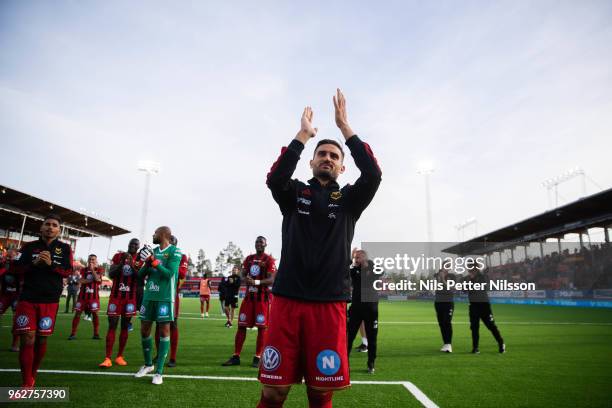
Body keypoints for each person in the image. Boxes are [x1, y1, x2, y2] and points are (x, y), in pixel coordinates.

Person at [258, 89, 381, 407]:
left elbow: (373, 174)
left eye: (334, 156)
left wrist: (344, 127)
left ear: (342, 168)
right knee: (273, 394)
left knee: (320, 394)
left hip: (329, 305)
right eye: (321, 154)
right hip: (287, 302)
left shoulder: (351, 200)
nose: (327, 158)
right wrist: (302, 135)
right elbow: (274, 178)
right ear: (311, 162)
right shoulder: (293, 193)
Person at [12, 214, 73, 387]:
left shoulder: (65, 248)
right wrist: (34, 264)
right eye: (47, 224)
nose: (50, 227)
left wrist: (50, 265)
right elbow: (15, 269)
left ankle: (33, 372)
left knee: (41, 340)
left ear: (59, 230)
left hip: (50, 300)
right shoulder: (28, 247)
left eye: (54, 225)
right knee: (27, 338)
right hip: (28, 298)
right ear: (41, 227)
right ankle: (26, 384)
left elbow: (68, 272)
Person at [134, 226, 181, 385]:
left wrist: (152, 261)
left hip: (165, 298)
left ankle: (159, 372)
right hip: (149, 296)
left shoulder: (175, 251)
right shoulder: (152, 251)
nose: (153, 235)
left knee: (164, 331)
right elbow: (140, 276)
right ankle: (148, 365)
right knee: (144, 329)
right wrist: (144, 263)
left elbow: (169, 274)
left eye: (155, 233)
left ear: (162, 235)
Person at [222, 236, 276, 368]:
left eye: (261, 242)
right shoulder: (249, 259)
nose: (258, 244)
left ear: (265, 245)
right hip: (248, 299)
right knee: (241, 325)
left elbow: (272, 279)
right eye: (257, 242)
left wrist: (256, 282)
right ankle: (236, 356)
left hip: (262, 300)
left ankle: (257, 357)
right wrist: (244, 277)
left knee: (262, 328)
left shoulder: (269, 260)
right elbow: (242, 274)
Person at [99, 238, 142, 368]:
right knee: (112, 324)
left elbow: (140, 278)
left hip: (130, 298)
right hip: (116, 297)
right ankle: (107, 358)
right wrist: (123, 262)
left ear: (138, 247)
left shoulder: (140, 259)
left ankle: (119, 356)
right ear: (128, 244)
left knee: (125, 326)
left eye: (136, 244)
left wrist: (133, 264)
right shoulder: (118, 256)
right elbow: (111, 274)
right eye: (131, 244)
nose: (133, 246)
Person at [154, 235, 188, 368]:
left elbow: (182, 273)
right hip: (158, 292)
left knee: (173, 324)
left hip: (172, 295)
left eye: (172, 243)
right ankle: (160, 354)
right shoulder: (158, 253)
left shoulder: (181, 256)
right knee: (158, 324)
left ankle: (172, 357)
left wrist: (166, 265)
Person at [346, 249, 379, 374]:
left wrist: (365, 265)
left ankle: (371, 364)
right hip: (356, 309)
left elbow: (378, 273)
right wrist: (352, 260)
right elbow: (347, 270)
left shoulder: (374, 267)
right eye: (355, 258)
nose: (356, 260)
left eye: (358, 257)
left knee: (372, 338)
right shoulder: (354, 269)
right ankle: (345, 364)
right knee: (349, 337)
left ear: (364, 257)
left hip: (371, 309)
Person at [465, 266, 505, 354]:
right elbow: (464, 290)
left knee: (491, 325)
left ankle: (501, 343)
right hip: (473, 306)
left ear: (476, 270)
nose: (470, 272)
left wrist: (471, 281)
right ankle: (475, 348)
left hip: (484, 305)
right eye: (469, 270)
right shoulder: (468, 278)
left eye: (471, 270)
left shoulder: (483, 277)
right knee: (474, 328)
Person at [68, 254, 102, 340]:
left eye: (93, 259)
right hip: (82, 297)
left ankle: (96, 334)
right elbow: (80, 280)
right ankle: (73, 334)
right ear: (87, 260)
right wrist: (91, 280)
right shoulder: (83, 270)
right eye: (90, 259)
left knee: (95, 315)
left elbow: (98, 280)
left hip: (93, 298)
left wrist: (92, 270)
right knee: (77, 314)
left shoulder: (99, 269)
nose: (91, 261)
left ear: (96, 261)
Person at [0, 250, 21, 351]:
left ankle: (15, 345)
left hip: (16, 295)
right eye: (7, 256)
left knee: (16, 320)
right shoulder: (3, 265)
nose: (9, 258)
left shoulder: (19, 266)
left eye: (11, 256)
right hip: (5, 295)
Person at [434, 267, 456, 353]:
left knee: (447, 322)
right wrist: (439, 279)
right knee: (441, 323)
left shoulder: (452, 277)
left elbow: (451, 289)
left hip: (448, 303)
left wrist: (443, 279)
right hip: (438, 302)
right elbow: (436, 289)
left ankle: (448, 344)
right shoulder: (437, 277)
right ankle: (446, 344)